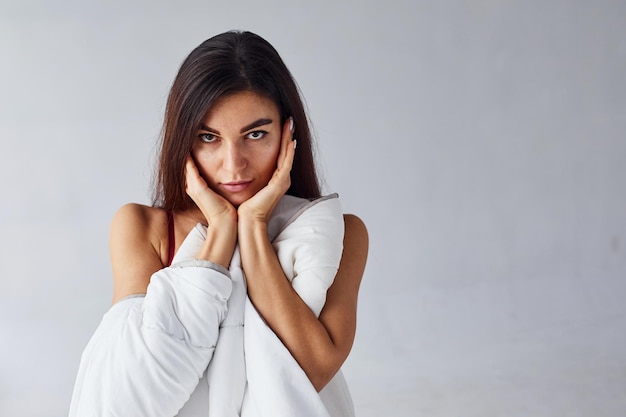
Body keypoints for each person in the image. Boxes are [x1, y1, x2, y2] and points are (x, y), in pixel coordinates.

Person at [68, 30, 368, 417]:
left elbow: (311, 370)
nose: (233, 164)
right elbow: (133, 388)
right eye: (208, 137)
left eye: (255, 134)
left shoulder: (340, 233)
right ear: (183, 142)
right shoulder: (144, 228)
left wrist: (254, 227)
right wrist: (222, 229)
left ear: (288, 135)